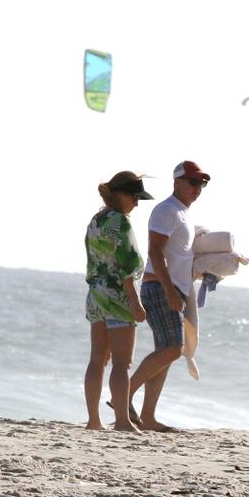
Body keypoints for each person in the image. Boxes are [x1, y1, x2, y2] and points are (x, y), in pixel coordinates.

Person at [128, 161, 210, 432]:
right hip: (160, 288)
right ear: (177, 182)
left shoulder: (183, 214)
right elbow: (155, 252)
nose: (198, 188)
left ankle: (148, 416)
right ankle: (123, 395)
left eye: (202, 184)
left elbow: (181, 254)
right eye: (193, 182)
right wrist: (168, 290)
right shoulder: (166, 210)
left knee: (165, 353)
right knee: (174, 349)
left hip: (172, 289)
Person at [83, 171, 154, 431]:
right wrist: (136, 303)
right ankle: (123, 421)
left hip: (96, 295)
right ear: (121, 195)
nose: (136, 203)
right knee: (122, 362)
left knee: (97, 359)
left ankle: (93, 420)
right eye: (134, 197)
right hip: (117, 296)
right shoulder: (120, 223)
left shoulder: (96, 220)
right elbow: (127, 267)